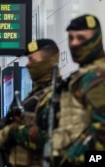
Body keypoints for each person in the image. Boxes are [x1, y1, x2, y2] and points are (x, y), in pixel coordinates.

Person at [0, 39, 61, 167]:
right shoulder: (34, 95)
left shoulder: (58, 94)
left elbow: (51, 138)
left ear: (47, 62)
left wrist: (13, 132)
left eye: (32, 60)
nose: (27, 65)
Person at [52, 14, 105, 167]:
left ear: (96, 39)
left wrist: (77, 157)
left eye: (81, 38)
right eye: (71, 38)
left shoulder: (97, 77)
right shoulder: (82, 76)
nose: (74, 44)